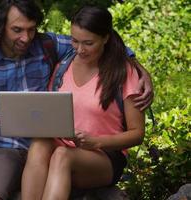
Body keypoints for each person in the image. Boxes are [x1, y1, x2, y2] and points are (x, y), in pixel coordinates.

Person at [0, 1, 152, 200]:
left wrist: (140, 69)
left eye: (31, 29)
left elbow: (99, 43)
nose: (25, 38)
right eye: (17, 30)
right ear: (1, 27)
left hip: (7, 150)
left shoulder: (47, 46)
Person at [21, 6, 146, 200]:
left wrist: (96, 141)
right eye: (75, 41)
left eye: (88, 43)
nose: (80, 50)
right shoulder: (64, 66)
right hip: (64, 145)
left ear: (105, 38)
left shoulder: (124, 72)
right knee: (39, 144)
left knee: (62, 155)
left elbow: (137, 134)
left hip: (104, 154)